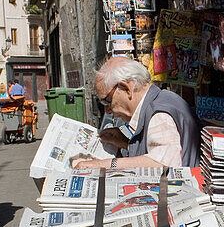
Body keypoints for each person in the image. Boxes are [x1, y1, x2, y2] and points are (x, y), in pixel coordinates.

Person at [71, 57, 200, 172]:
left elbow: (163, 165)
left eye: (107, 101)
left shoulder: (159, 114)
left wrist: (102, 165)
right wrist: (126, 143)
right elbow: (160, 152)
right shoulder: (160, 99)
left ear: (126, 88)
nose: (107, 110)